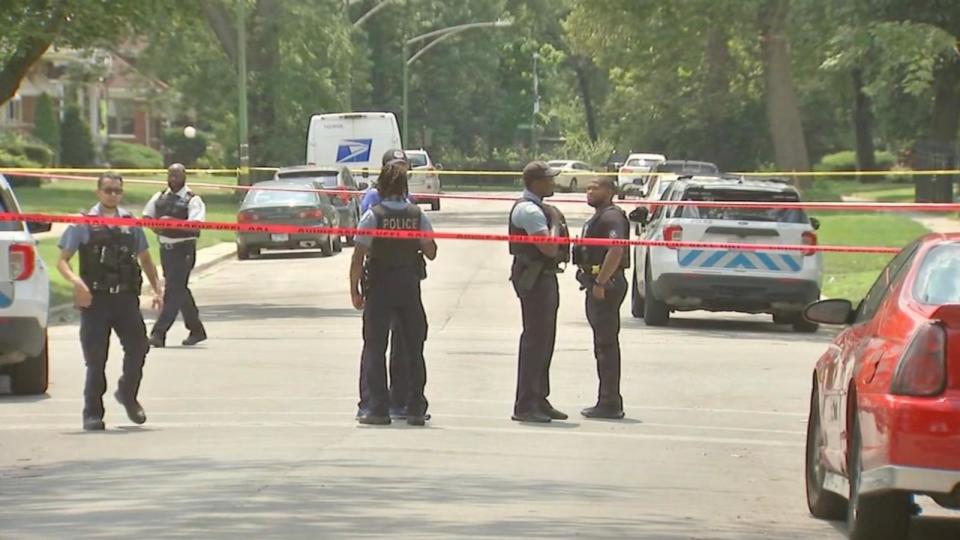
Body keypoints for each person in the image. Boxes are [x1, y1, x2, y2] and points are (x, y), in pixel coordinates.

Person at [56, 173, 164, 431]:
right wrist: (76, 282)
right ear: (98, 192)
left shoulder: (130, 223)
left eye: (117, 191)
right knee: (96, 359)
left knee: (139, 347)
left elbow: (146, 258)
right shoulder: (83, 223)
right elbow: (62, 260)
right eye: (108, 190)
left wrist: (157, 289)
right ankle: (92, 412)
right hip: (96, 299)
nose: (112, 195)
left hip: (125, 298)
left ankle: (127, 393)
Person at [350, 158, 437, 426]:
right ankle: (415, 407)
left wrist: (354, 290)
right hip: (409, 285)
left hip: (380, 286)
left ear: (382, 186)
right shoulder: (417, 215)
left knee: (375, 347)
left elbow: (358, 256)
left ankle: (377, 408)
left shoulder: (372, 215)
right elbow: (431, 252)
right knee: (414, 347)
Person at [509, 161, 571, 423]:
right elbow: (548, 247)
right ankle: (525, 404)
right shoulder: (529, 210)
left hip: (543, 277)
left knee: (545, 340)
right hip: (533, 279)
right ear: (535, 182)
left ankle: (539, 398)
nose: (553, 183)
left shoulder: (539, 208)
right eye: (548, 179)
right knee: (535, 341)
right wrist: (555, 221)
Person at [359, 149, 416, 418]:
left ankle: (401, 399)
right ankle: (371, 402)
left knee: (404, 344)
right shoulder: (373, 199)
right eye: (396, 166)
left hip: (406, 278)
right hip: (381, 278)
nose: (401, 170)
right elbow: (362, 243)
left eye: (404, 165)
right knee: (375, 345)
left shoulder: (410, 202)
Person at [574, 177, 630, 419]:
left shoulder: (612, 216)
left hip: (607, 285)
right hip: (597, 283)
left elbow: (616, 248)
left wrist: (601, 282)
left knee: (606, 346)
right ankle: (607, 399)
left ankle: (610, 402)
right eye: (588, 188)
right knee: (602, 345)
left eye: (595, 188)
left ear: (610, 191)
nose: (589, 192)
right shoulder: (601, 215)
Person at [143, 163, 207, 348]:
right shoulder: (159, 196)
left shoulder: (193, 200)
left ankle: (158, 333)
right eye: (170, 175)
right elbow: (147, 216)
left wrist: (171, 223)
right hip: (166, 250)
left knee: (173, 291)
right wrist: (155, 225)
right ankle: (196, 330)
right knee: (180, 290)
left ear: (184, 176)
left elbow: (196, 225)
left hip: (184, 250)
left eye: (177, 175)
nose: (173, 179)